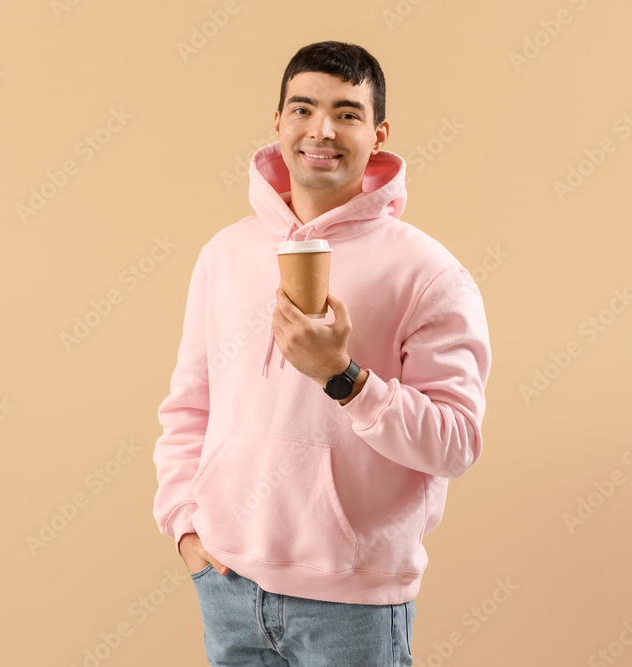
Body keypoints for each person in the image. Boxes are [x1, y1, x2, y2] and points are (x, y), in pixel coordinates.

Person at [152, 40, 491, 666]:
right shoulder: (224, 254)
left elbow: (456, 443)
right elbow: (188, 405)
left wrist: (344, 378)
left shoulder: (427, 272)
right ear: (277, 122)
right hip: (228, 586)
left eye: (347, 113)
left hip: (353, 604)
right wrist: (184, 525)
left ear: (379, 133)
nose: (321, 130)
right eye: (303, 109)